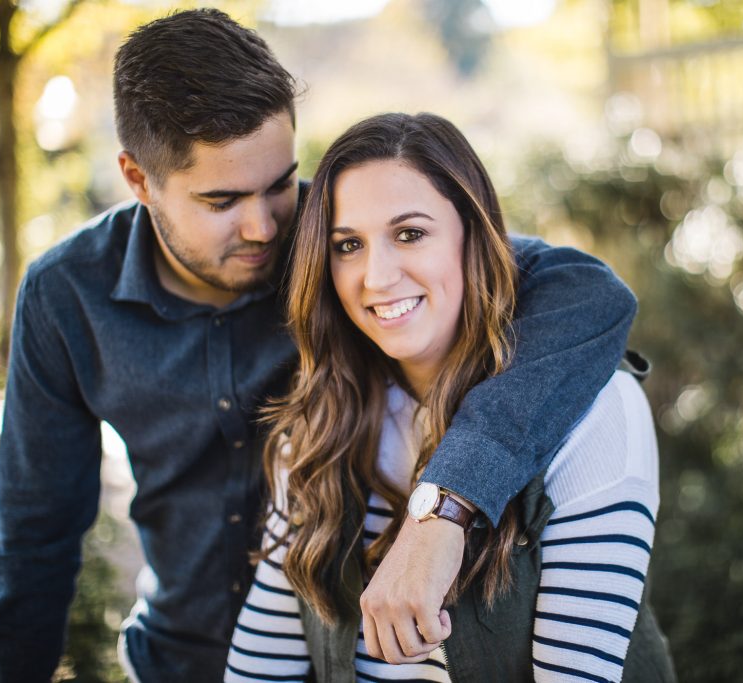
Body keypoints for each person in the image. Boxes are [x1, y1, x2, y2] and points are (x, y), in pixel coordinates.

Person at [0, 9, 645, 683]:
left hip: (342, 648)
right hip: (184, 659)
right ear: (139, 179)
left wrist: (449, 498)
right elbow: (36, 541)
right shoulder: (65, 298)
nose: (265, 225)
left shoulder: (342, 243)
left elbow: (582, 294)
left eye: (277, 184)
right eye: (222, 200)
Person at [225, 113, 674, 682]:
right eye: (348, 245)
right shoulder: (322, 424)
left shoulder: (597, 413)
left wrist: (442, 511)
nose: (377, 276)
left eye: (410, 233)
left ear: (474, 237)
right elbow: (261, 669)